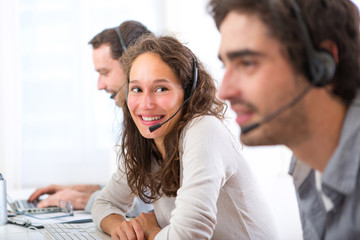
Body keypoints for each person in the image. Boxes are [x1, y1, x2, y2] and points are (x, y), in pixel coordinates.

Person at [92, 34, 278, 240]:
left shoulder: (204, 130)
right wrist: (119, 226)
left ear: (188, 93)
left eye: (161, 89)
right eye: (137, 89)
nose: (145, 103)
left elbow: (190, 235)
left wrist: (152, 231)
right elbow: (105, 203)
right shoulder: (148, 141)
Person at [208, 0, 360, 239]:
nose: (224, 91)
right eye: (225, 65)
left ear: (321, 65)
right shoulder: (307, 167)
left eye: (247, 63)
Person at [28, 20, 153, 215]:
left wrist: (79, 199)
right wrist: (83, 189)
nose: (99, 85)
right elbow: (135, 188)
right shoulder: (136, 121)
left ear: (132, 67)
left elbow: (148, 205)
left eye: (104, 72)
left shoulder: (155, 120)